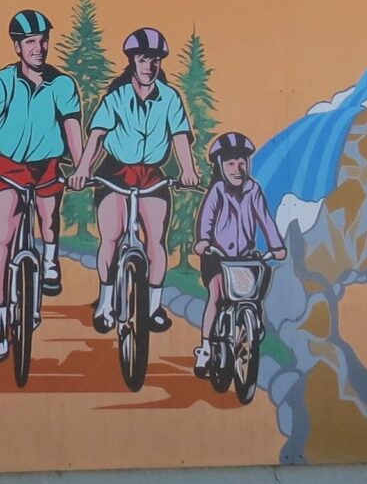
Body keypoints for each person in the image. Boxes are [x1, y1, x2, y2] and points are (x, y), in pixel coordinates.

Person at [0, 9, 87, 362]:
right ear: (17, 46)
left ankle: (49, 261)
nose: (39, 47)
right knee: (2, 244)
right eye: (30, 41)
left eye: (43, 39)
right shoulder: (1, 82)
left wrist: (81, 167)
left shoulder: (62, 85)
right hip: (8, 168)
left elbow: (73, 129)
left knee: (49, 219)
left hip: (46, 166)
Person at [70, 26, 201, 336]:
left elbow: (180, 136)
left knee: (155, 241)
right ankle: (105, 302)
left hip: (152, 175)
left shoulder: (169, 98)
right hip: (115, 172)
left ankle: (154, 306)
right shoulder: (116, 96)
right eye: (144, 60)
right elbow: (98, 136)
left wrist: (188, 169)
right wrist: (83, 170)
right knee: (111, 237)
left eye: (155, 60)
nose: (150, 67)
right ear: (132, 61)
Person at [193, 130, 285, 377]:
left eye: (242, 162)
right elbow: (206, 219)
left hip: (244, 255)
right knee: (216, 294)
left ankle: (253, 314)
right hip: (216, 255)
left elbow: (265, 219)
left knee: (263, 274)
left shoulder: (252, 190)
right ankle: (204, 348)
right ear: (222, 166)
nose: (237, 168)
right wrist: (202, 241)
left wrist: (276, 245)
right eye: (231, 163)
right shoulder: (217, 191)